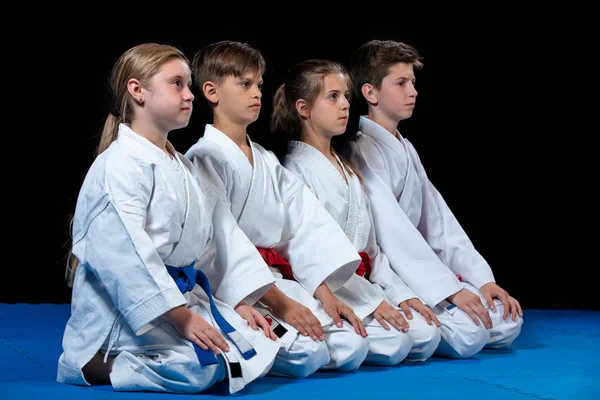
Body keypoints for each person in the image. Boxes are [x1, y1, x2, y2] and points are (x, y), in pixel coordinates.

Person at [57, 43, 280, 395]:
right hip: (124, 315)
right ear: (137, 90)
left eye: (189, 85)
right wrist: (179, 315)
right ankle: (89, 360)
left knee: (262, 342)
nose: (189, 95)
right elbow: (125, 256)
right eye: (177, 83)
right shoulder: (118, 165)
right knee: (198, 369)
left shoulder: (182, 166)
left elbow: (209, 244)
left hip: (177, 299)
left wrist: (236, 298)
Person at [185, 40, 373, 377]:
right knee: (308, 355)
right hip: (234, 288)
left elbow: (304, 226)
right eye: (244, 84)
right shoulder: (204, 158)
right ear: (211, 92)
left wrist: (322, 291)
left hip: (273, 281)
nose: (256, 93)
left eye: (258, 84)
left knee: (352, 346)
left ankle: (288, 334)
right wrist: (280, 303)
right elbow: (220, 243)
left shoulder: (267, 161)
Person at [342, 39, 523, 358]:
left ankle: (443, 313)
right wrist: (448, 291)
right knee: (470, 333)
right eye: (401, 83)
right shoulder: (360, 149)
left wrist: (480, 280)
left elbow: (439, 224)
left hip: (420, 271)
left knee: (506, 321)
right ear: (370, 93)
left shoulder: (405, 148)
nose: (413, 91)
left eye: (412, 82)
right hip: (389, 274)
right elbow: (393, 234)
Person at [278, 59, 441, 362]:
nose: (344, 106)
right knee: (392, 343)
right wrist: (372, 302)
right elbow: (309, 255)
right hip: (321, 288)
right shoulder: (294, 171)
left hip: (359, 286)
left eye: (345, 97)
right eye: (332, 97)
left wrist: (399, 293)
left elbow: (373, 252)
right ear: (303, 108)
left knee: (425, 334)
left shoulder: (349, 171)